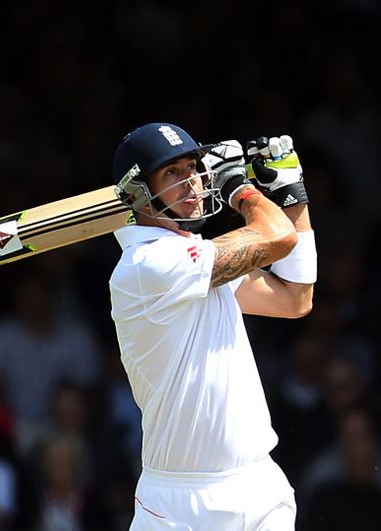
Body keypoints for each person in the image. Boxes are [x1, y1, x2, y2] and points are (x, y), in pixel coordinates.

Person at [108, 123, 316, 529]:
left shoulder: (197, 258)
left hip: (259, 485)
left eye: (193, 167)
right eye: (172, 172)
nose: (191, 181)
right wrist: (239, 187)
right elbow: (277, 237)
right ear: (137, 192)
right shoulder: (146, 266)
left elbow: (295, 299)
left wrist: (293, 196)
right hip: (178, 506)